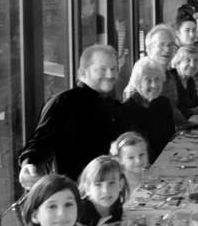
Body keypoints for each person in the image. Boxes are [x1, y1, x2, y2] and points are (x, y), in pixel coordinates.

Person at [19, 45, 130, 187]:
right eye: (102, 69)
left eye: (113, 69)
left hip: (110, 192)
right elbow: (40, 141)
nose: (110, 75)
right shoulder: (64, 102)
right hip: (76, 194)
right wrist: (29, 164)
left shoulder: (114, 106)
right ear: (84, 72)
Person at [124, 56, 176, 160]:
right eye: (148, 80)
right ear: (138, 83)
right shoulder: (128, 110)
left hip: (170, 158)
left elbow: (171, 137)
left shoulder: (164, 102)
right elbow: (139, 151)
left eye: (157, 79)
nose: (154, 85)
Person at [76, 155, 127, 226]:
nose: (106, 191)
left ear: (120, 185)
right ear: (87, 189)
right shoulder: (80, 213)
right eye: (98, 185)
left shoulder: (116, 205)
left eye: (111, 183)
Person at [163, 45, 198, 121]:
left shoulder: (190, 80)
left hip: (191, 121)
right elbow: (173, 112)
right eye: (187, 60)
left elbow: (196, 104)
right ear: (178, 63)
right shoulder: (171, 81)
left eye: (195, 60)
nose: (192, 65)